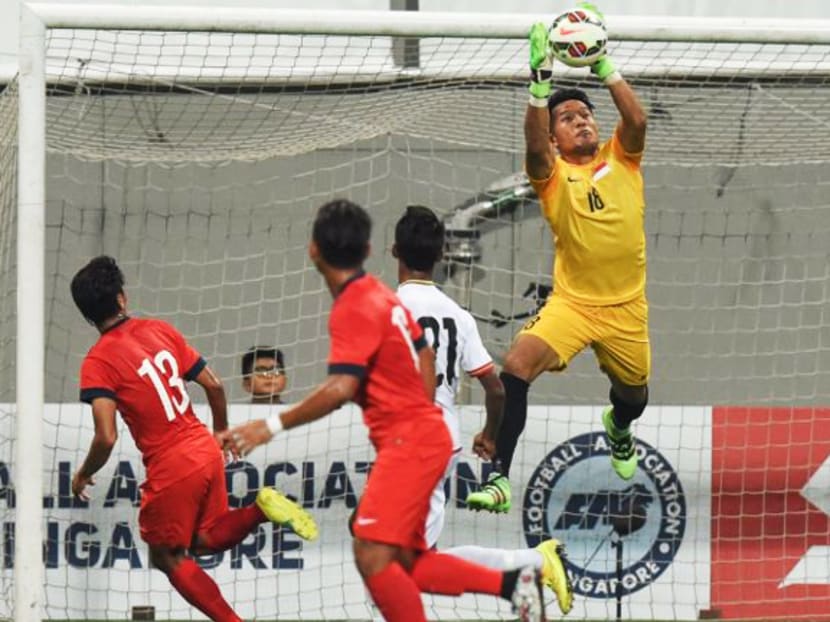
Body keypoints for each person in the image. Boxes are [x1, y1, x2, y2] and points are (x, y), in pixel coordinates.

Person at [224, 199, 546, 622]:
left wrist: (270, 424)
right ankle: (513, 581)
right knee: (398, 557)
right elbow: (424, 353)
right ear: (369, 249)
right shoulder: (381, 298)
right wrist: (421, 409)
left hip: (411, 442)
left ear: (313, 251)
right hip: (423, 435)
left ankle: (518, 578)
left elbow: (341, 387)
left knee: (373, 552)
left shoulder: (358, 306)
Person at [467, 3, 650, 513]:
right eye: (568, 119)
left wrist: (604, 66)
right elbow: (532, 144)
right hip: (574, 304)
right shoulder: (550, 175)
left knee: (634, 397)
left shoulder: (622, 158)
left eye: (586, 115)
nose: (582, 122)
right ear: (554, 137)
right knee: (518, 362)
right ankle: (499, 478)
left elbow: (635, 118)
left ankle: (618, 427)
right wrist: (541, 85)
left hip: (627, 308)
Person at [70, 256, 318, 622]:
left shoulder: (97, 362)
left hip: (172, 462)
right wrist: (221, 434)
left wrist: (83, 473)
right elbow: (214, 385)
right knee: (204, 538)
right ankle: (260, 509)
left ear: (87, 315)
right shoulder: (159, 329)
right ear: (122, 299)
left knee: (166, 556)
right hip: (203, 447)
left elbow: (106, 437)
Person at [393, 204, 573, 615]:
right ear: (441, 256)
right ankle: (532, 565)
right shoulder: (458, 316)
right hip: (441, 439)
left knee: (396, 563)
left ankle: (533, 564)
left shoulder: (386, 310)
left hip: (411, 445)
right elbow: (495, 388)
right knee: (418, 558)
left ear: (393, 251)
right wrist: (490, 435)